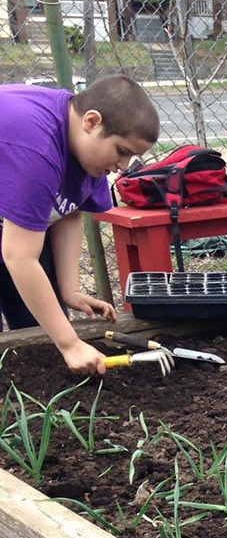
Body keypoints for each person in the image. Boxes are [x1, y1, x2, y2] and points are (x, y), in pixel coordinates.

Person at [0, 74, 160, 375]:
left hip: (11, 221)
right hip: (12, 224)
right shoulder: (38, 149)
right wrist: (70, 344)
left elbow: (69, 211)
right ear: (91, 122)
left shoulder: (88, 157)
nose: (123, 167)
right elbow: (19, 256)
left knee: (42, 338)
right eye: (122, 151)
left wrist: (69, 289)